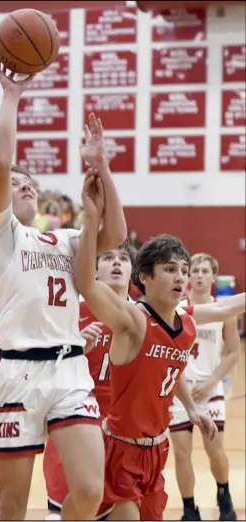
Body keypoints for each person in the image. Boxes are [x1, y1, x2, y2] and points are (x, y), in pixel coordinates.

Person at [0, 61, 127, 521]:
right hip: (20, 371)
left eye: (29, 184)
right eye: (14, 185)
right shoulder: (3, 237)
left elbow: (115, 234)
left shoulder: (64, 239)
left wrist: (101, 166)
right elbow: (0, 163)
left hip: (69, 368)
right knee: (12, 504)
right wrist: (12, 96)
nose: (23, 187)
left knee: (88, 488)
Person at [74, 172, 246, 521]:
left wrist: (193, 409)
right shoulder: (133, 320)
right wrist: (93, 221)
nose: (181, 277)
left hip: (157, 448)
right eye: (170, 269)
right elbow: (87, 286)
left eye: (184, 270)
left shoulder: (185, 323)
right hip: (121, 449)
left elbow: (170, 369)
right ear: (145, 277)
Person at [43, 241, 136, 521]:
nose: (117, 262)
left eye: (123, 258)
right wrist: (74, 349)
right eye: (108, 257)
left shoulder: (145, 316)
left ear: (133, 270)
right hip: (77, 422)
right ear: (94, 271)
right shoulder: (72, 311)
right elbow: (45, 371)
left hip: (124, 436)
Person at [170, 253, 240, 521]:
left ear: (213, 276)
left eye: (203, 271)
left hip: (210, 390)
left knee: (215, 450)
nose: (198, 275)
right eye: (194, 271)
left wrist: (213, 381)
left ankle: (224, 495)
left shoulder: (224, 312)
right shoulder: (177, 308)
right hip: (180, 392)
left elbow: (234, 351)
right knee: (181, 453)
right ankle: (189, 509)